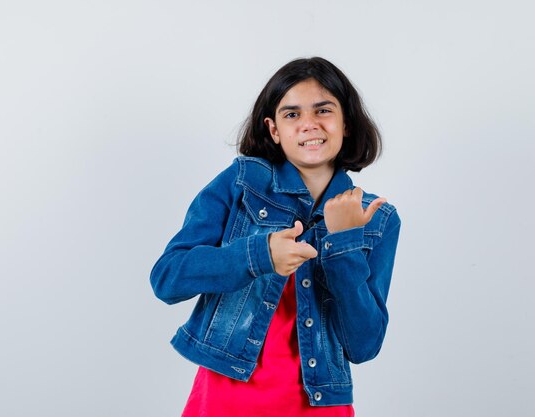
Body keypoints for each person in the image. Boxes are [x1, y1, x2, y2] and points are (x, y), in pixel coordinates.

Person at [150, 57, 402, 416]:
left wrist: (344, 244)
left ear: (346, 123)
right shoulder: (239, 183)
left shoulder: (378, 219)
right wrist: (259, 256)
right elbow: (167, 278)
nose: (309, 125)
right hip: (227, 398)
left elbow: (364, 346)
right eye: (292, 114)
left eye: (323, 110)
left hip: (319, 406)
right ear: (273, 130)